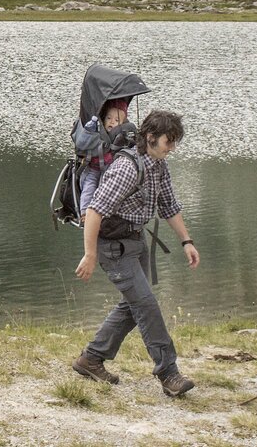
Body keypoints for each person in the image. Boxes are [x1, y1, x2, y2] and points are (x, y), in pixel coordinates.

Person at [71, 109, 201, 397]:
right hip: (113, 247)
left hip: (135, 241)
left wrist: (187, 241)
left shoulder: (158, 165)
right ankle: (168, 373)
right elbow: (94, 212)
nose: (172, 147)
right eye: (169, 141)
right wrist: (90, 255)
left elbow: (169, 206)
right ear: (151, 137)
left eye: (175, 141)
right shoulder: (126, 168)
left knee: (134, 306)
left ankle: (91, 359)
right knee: (146, 305)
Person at [73, 99, 132, 214]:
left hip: (110, 169)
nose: (112, 122)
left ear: (123, 123)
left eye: (116, 120)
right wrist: (89, 131)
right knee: (89, 187)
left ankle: (103, 212)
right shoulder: (97, 130)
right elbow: (82, 144)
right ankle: (84, 212)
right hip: (93, 167)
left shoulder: (122, 136)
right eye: (109, 118)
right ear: (103, 118)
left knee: (106, 188)